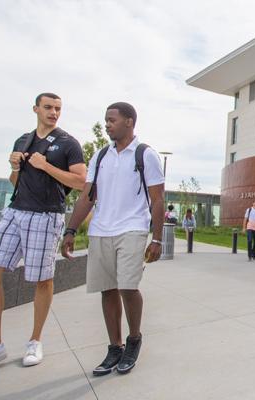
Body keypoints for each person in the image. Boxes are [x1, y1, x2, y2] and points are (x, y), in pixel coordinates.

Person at [0, 93, 86, 377]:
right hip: (15, 211)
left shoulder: (68, 143)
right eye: (48, 107)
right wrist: (15, 167)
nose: (54, 112)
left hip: (45, 214)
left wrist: (46, 166)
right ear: (36, 109)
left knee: (41, 279)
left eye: (58, 109)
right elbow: (18, 181)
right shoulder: (23, 141)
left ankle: (35, 341)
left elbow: (80, 181)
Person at [62, 102, 164, 376]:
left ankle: (133, 340)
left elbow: (157, 200)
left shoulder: (146, 155)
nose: (107, 124)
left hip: (132, 228)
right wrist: (70, 230)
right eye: (105, 120)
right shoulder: (100, 156)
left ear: (129, 122)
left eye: (112, 120)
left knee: (128, 287)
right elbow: (87, 196)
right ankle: (114, 347)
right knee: (107, 289)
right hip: (101, 230)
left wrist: (157, 239)